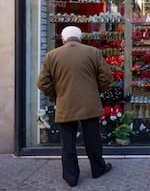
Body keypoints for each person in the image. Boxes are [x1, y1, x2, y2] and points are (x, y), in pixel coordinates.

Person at [37, 26, 113, 187]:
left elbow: (42, 82)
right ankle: (98, 168)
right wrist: (95, 90)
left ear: (63, 39)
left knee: (67, 141)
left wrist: (56, 94)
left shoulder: (52, 55)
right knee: (93, 138)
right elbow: (106, 76)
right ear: (80, 38)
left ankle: (71, 177)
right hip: (89, 103)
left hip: (65, 103)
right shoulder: (93, 52)